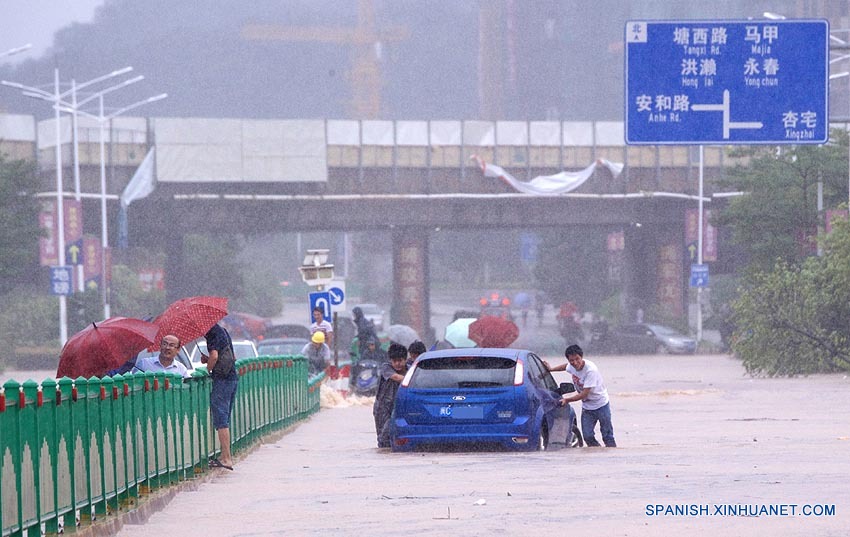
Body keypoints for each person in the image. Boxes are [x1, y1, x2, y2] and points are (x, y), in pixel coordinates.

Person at [546, 344, 616, 448]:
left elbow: (584, 393)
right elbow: (565, 367)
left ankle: (612, 457)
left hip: (601, 404)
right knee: (587, 436)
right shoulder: (572, 366)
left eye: (577, 359)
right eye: (572, 360)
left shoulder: (590, 370)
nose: (575, 363)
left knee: (607, 436)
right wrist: (551, 369)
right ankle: (598, 454)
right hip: (587, 407)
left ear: (581, 357)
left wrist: (567, 400)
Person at [201, 323, 239, 470]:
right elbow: (230, 356)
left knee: (221, 418)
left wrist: (207, 369)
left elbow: (215, 356)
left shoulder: (212, 332)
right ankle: (226, 455)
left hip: (222, 380)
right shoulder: (222, 331)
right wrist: (208, 359)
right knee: (225, 417)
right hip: (232, 377)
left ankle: (226, 458)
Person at [372, 343, 408, 448]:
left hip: (398, 406)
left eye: (400, 360)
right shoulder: (386, 368)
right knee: (383, 436)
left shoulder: (409, 369)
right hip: (383, 407)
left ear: (405, 360)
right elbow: (396, 377)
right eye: (394, 361)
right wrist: (412, 378)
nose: (397, 364)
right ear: (390, 361)